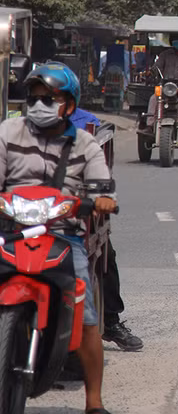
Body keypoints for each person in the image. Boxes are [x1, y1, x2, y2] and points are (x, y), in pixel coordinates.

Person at [0, 62, 115, 413]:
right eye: (34, 98)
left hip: (64, 237)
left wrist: (101, 200)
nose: (40, 104)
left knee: (88, 315)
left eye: (50, 98)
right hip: (9, 230)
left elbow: (101, 186)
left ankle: (93, 402)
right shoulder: (8, 132)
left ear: (68, 104)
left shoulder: (86, 144)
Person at [68, 108, 144, 352]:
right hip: (22, 207)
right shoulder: (17, 125)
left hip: (66, 208)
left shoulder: (84, 124)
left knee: (103, 254)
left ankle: (110, 321)